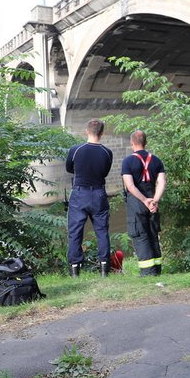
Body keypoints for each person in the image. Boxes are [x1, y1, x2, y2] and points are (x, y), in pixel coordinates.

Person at [65, 118, 114, 277]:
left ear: (86, 131)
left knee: (75, 231)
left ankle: (75, 269)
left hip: (79, 193)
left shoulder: (75, 150)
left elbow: (69, 168)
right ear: (102, 133)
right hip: (99, 193)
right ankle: (104, 268)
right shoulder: (107, 152)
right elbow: (105, 172)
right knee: (102, 231)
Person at [121, 130, 167, 276]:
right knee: (153, 234)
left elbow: (130, 186)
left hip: (137, 202)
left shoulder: (128, 162)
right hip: (152, 201)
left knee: (140, 235)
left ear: (132, 143)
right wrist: (155, 200)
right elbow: (161, 182)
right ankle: (157, 270)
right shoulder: (157, 160)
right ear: (145, 143)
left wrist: (144, 201)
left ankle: (147, 272)